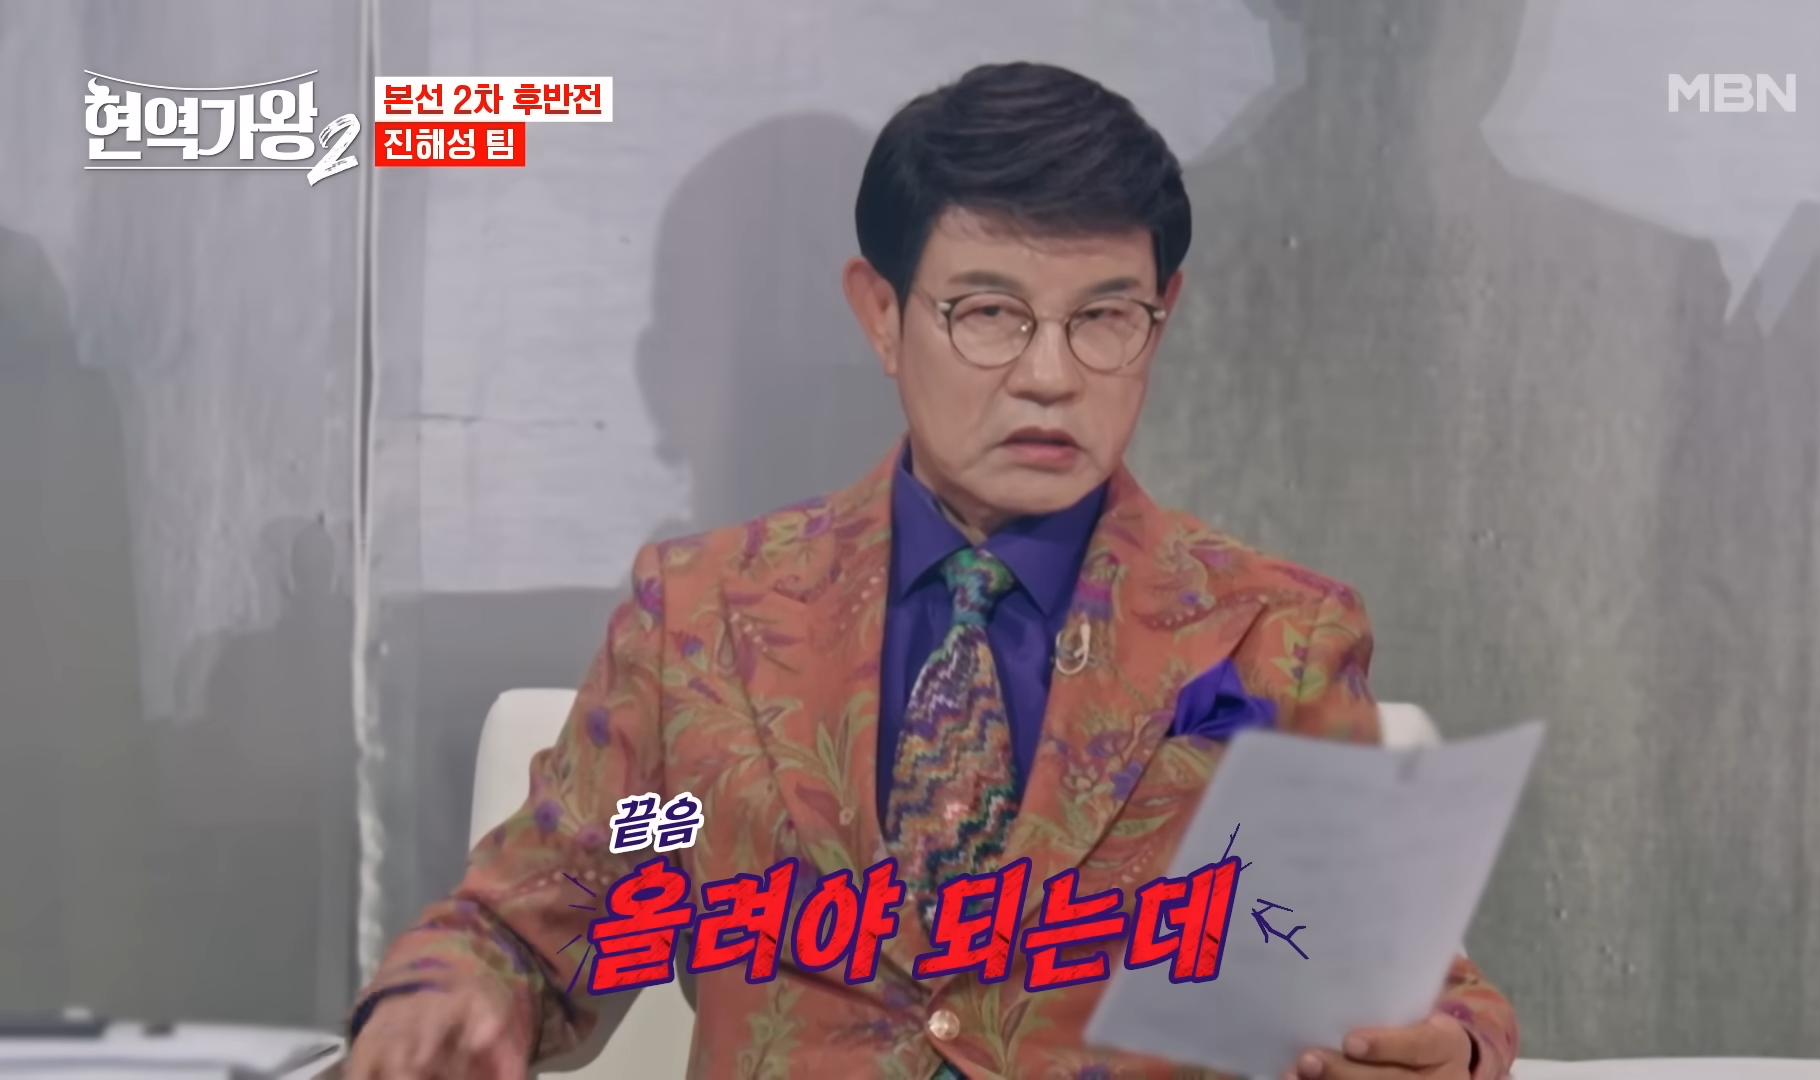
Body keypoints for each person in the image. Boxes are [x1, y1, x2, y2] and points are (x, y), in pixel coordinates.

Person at [346, 61, 1519, 1080]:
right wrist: (445, 999)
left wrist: (1447, 1049)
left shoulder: (1272, 640)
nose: (1051, 375)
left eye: (1105, 318)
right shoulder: (702, 621)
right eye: (989, 313)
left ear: (1163, 313)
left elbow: (1404, 984)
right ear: (881, 313)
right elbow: (529, 925)